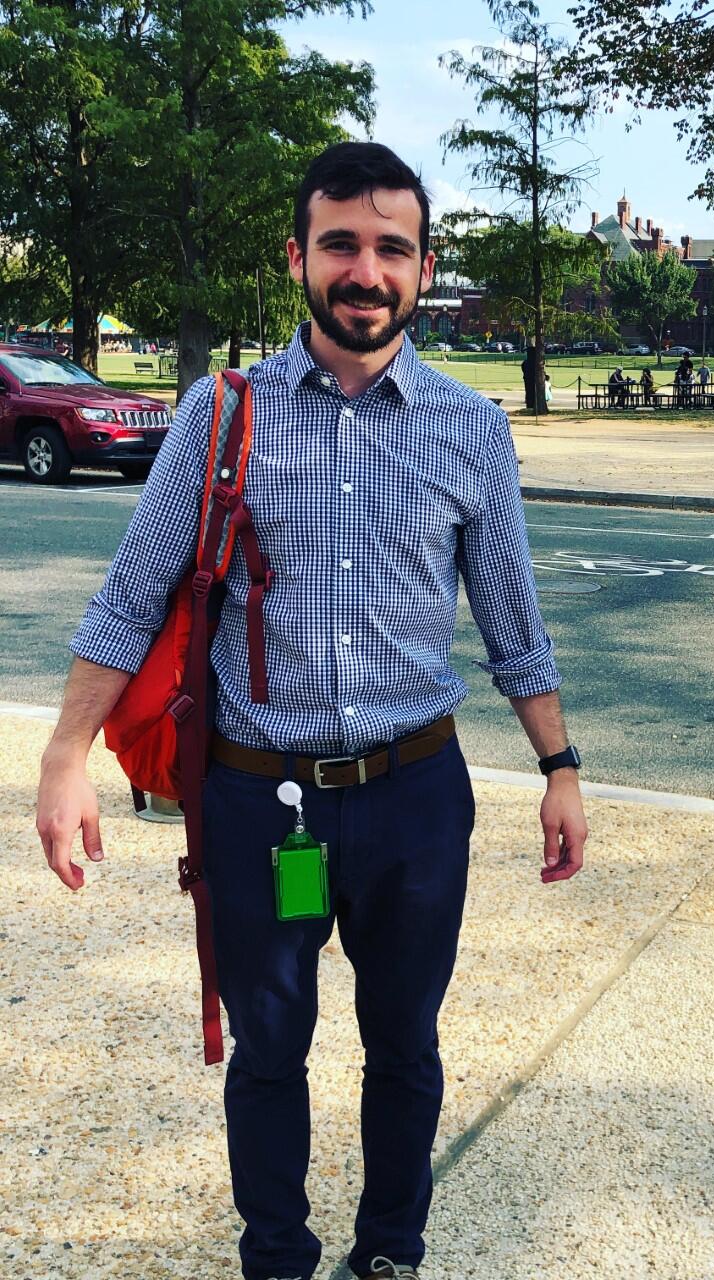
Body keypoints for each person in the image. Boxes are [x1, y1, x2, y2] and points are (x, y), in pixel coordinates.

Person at [35, 141, 588, 1280]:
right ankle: (276, 1256)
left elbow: (512, 623)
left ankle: (390, 1249)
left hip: (416, 800)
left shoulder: (468, 429)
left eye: (391, 247)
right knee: (269, 1051)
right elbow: (134, 593)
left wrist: (560, 767)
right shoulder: (218, 413)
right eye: (341, 242)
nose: (365, 269)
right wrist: (63, 752)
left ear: (422, 268)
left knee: (405, 1047)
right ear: (299, 257)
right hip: (256, 800)